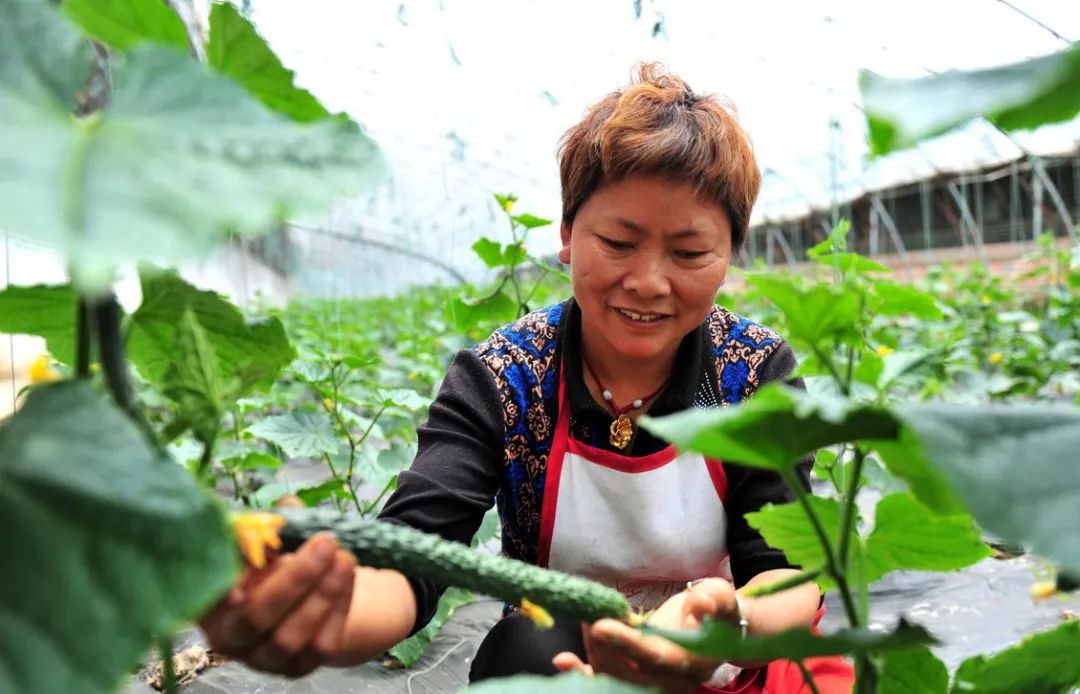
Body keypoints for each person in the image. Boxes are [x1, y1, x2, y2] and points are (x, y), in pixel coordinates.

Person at [201, 63, 855, 694]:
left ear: (728, 254)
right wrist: (332, 615)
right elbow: (411, 560)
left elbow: (789, 580)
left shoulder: (752, 372)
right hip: (579, 665)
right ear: (567, 235)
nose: (649, 282)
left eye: (688, 252)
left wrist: (717, 622)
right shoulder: (504, 378)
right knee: (521, 651)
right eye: (619, 243)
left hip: (739, 655)